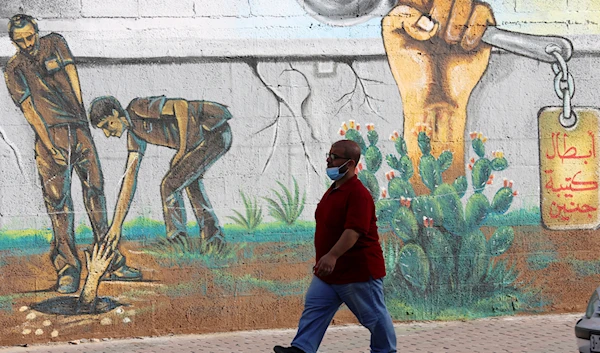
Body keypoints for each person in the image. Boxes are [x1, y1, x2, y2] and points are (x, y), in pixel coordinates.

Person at [3, 14, 140, 294]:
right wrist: (49, 145)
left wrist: (81, 117)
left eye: (30, 37)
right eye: (21, 41)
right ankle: (68, 268)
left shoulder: (55, 43)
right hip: (49, 136)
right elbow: (29, 111)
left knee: (95, 192)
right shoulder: (14, 69)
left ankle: (110, 260)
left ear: (37, 32)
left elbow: (73, 76)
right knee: (59, 203)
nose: (28, 44)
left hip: (79, 130)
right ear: (13, 42)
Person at [274, 140, 396, 353]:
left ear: (349, 163)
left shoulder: (358, 194)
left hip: (357, 272)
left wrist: (332, 255)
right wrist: (327, 260)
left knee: (374, 317)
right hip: (329, 273)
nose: (329, 159)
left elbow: (353, 231)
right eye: (329, 155)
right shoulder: (335, 189)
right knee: (314, 309)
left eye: (335, 156)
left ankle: (385, 350)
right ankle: (301, 349)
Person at [88, 96, 232, 249]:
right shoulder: (135, 136)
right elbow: (129, 178)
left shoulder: (138, 108)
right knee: (188, 182)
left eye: (106, 125)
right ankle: (214, 240)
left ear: (116, 113)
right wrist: (116, 225)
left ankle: (178, 241)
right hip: (205, 139)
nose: (107, 133)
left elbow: (181, 105)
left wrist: (182, 150)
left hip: (213, 131)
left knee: (169, 185)